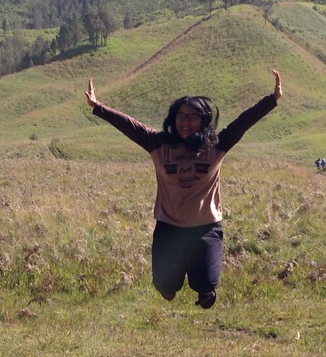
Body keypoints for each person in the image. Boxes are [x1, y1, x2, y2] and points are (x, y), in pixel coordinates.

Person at [85, 70, 282, 309]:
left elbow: (243, 122)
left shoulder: (217, 144)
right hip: (169, 227)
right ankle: (172, 280)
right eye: (181, 116)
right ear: (173, 118)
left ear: (203, 121)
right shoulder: (158, 143)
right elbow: (129, 125)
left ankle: (204, 287)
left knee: (207, 285)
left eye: (192, 117)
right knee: (165, 287)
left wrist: (272, 99)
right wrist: (97, 106)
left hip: (206, 227)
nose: (185, 122)